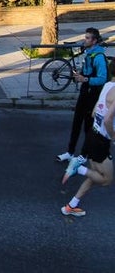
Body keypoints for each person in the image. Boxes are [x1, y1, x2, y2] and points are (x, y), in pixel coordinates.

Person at [60, 78, 115, 217]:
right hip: (101, 142)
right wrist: (113, 137)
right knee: (106, 180)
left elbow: (94, 112)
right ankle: (78, 168)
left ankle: (70, 207)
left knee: (94, 175)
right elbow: (108, 119)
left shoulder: (108, 85)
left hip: (92, 134)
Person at [58, 28, 109, 164]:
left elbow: (102, 78)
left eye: (87, 38)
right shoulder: (88, 53)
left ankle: (84, 154)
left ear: (94, 41)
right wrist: (79, 76)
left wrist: (85, 79)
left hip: (93, 94)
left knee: (88, 126)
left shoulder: (98, 57)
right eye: (85, 37)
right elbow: (86, 72)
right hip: (85, 91)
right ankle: (70, 152)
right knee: (76, 123)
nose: (84, 40)